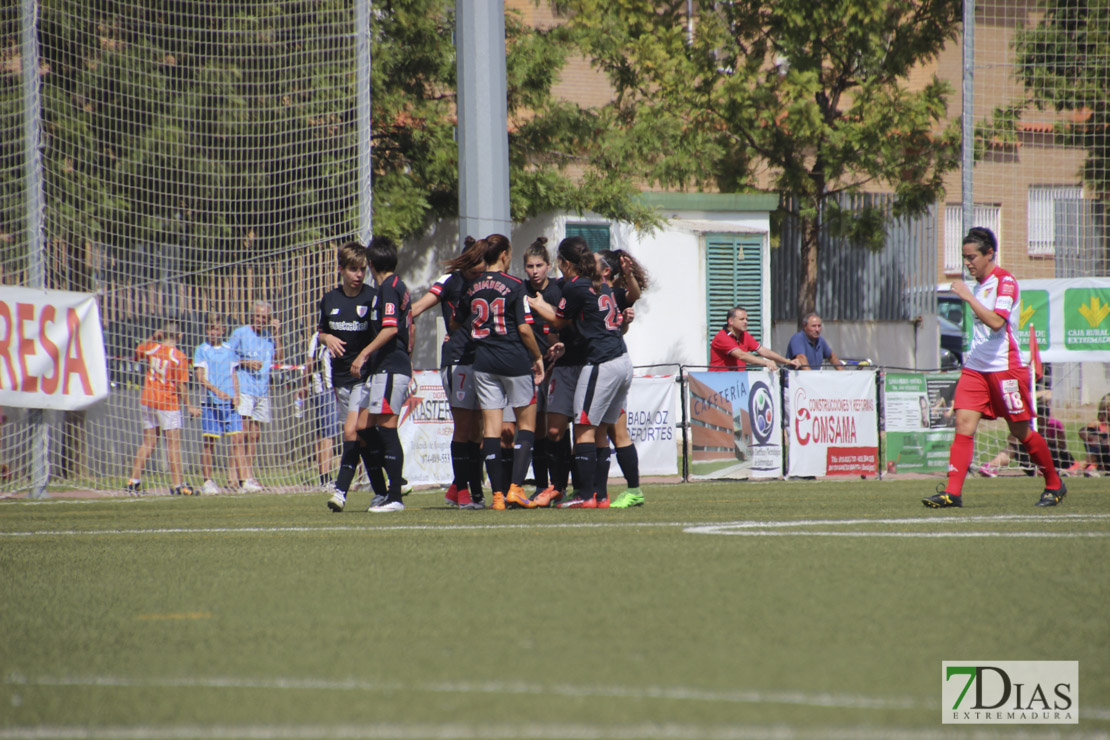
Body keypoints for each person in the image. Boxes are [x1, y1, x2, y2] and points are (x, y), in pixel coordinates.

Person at [923, 227, 1066, 508]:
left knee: (1020, 431)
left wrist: (968, 297)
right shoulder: (979, 285)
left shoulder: (1005, 282)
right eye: (964, 257)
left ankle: (1054, 482)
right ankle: (952, 493)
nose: (967, 263)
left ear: (990, 253)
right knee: (963, 425)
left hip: (1005, 369)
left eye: (971, 256)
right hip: (976, 368)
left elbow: (998, 322)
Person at [529, 236, 632, 509]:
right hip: (622, 359)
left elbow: (560, 320)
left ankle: (585, 496)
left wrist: (537, 305)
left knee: (584, 429)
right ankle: (599, 495)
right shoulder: (600, 284)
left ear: (563, 262)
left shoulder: (575, 286)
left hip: (602, 362)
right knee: (598, 431)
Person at [452, 234, 545, 511]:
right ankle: (515, 489)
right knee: (525, 424)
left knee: (490, 430)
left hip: (484, 363)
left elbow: (457, 322)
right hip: (514, 361)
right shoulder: (516, 285)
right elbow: (525, 329)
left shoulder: (472, 286)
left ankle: (497, 497)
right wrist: (537, 357)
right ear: (504, 254)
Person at [412, 237, 487, 509]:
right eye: (475, 269)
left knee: (479, 430)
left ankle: (465, 489)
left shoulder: (487, 282)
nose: (479, 273)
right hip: (458, 361)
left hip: (484, 362)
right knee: (464, 428)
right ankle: (465, 492)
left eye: (483, 268)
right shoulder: (449, 282)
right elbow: (417, 308)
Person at [350, 235, 414, 513]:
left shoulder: (389, 288)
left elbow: (390, 329)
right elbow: (410, 330)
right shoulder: (397, 286)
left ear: (371, 263)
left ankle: (395, 496)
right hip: (386, 368)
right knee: (364, 428)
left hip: (390, 368)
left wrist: (363, 353)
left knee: (386, 430)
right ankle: (387, 489)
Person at [317, 242, 379, 513]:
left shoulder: (372, 297)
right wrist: (327, 337)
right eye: (353, 269)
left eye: (362, 269)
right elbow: (320, 332)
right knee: (360, 437)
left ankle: (340, 491)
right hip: (341, 379)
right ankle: (385, 488)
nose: (358, 274)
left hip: (365, 378)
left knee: (350, 432)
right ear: (340, 269)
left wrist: (364, 356)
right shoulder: (329, 299)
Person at [125, 322, 200, 496]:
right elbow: (181, 385)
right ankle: (178, 484)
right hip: (167, 402)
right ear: (180, 336)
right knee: (173, 444)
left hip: (147, 399)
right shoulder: (178, 357)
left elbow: (138, 351)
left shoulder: (152, 348)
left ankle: (133, 481)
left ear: (161, 334)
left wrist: (153, 336)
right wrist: (189, 406)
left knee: (148, 442)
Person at [229, 300, 282, 492]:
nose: (261, 320)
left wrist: (277, 334)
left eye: (265, 317)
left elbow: (280, 357)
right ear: (252, 316)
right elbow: (227, 357)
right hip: (243, 387)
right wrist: (245, 362)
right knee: (241, 432)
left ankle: (248, 475)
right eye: (258, 316)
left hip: (262, 389)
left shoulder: (268, 336)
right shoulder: (240, 333)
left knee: (254, 434)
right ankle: (235, 476)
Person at [193, 313, 246, 494]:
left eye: (216, 329)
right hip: (211, 403)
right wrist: (216, 391)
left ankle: (243, 480)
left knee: (238, 439)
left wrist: (236, 394)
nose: (213, 332)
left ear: (223, 330)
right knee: (209, 442)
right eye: (210, 329)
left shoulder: (228, 349)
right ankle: (207, 481)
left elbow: (233, 373)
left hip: (229, 403)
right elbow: (200, 376)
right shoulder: (202, 349)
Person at [978, 400, 1076, 477]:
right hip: (1031, 461)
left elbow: (1062, 446)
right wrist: (1028, 439)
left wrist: (1046, 440)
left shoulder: (1055, 425)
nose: (1041, 422)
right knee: (1012, 448)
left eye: (1044, 418)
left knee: (1046, 444)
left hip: (1053, 458)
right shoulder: (1026, 425)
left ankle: (1056, 470)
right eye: (1038, 419)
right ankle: (991, 466)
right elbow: (1011, 439)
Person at [297, 330, 340, 492]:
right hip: (324, 388)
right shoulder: (319, 336)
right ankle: (325, 478)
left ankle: (357, 477)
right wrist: (303, 385)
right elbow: (310, 362)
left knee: (328, 433)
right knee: (327, 434)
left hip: (338, 386)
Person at [710, 306, 799, 371]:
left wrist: (787, 361)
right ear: (731, 321)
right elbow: (741, 355)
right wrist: (765, 363)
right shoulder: (721, 337)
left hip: (736, 382)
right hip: (719, 382)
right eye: (742, 319)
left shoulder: (744, 335)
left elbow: (762, 350)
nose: (745, 322)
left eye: (746, 319)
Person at [1078, 393, 1110, 476]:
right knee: (1091, 435)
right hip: (1100, 457)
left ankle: (1083, 468)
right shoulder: (1098, 425)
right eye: (1107, 408)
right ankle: (1090, 468)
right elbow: (1082, 433)